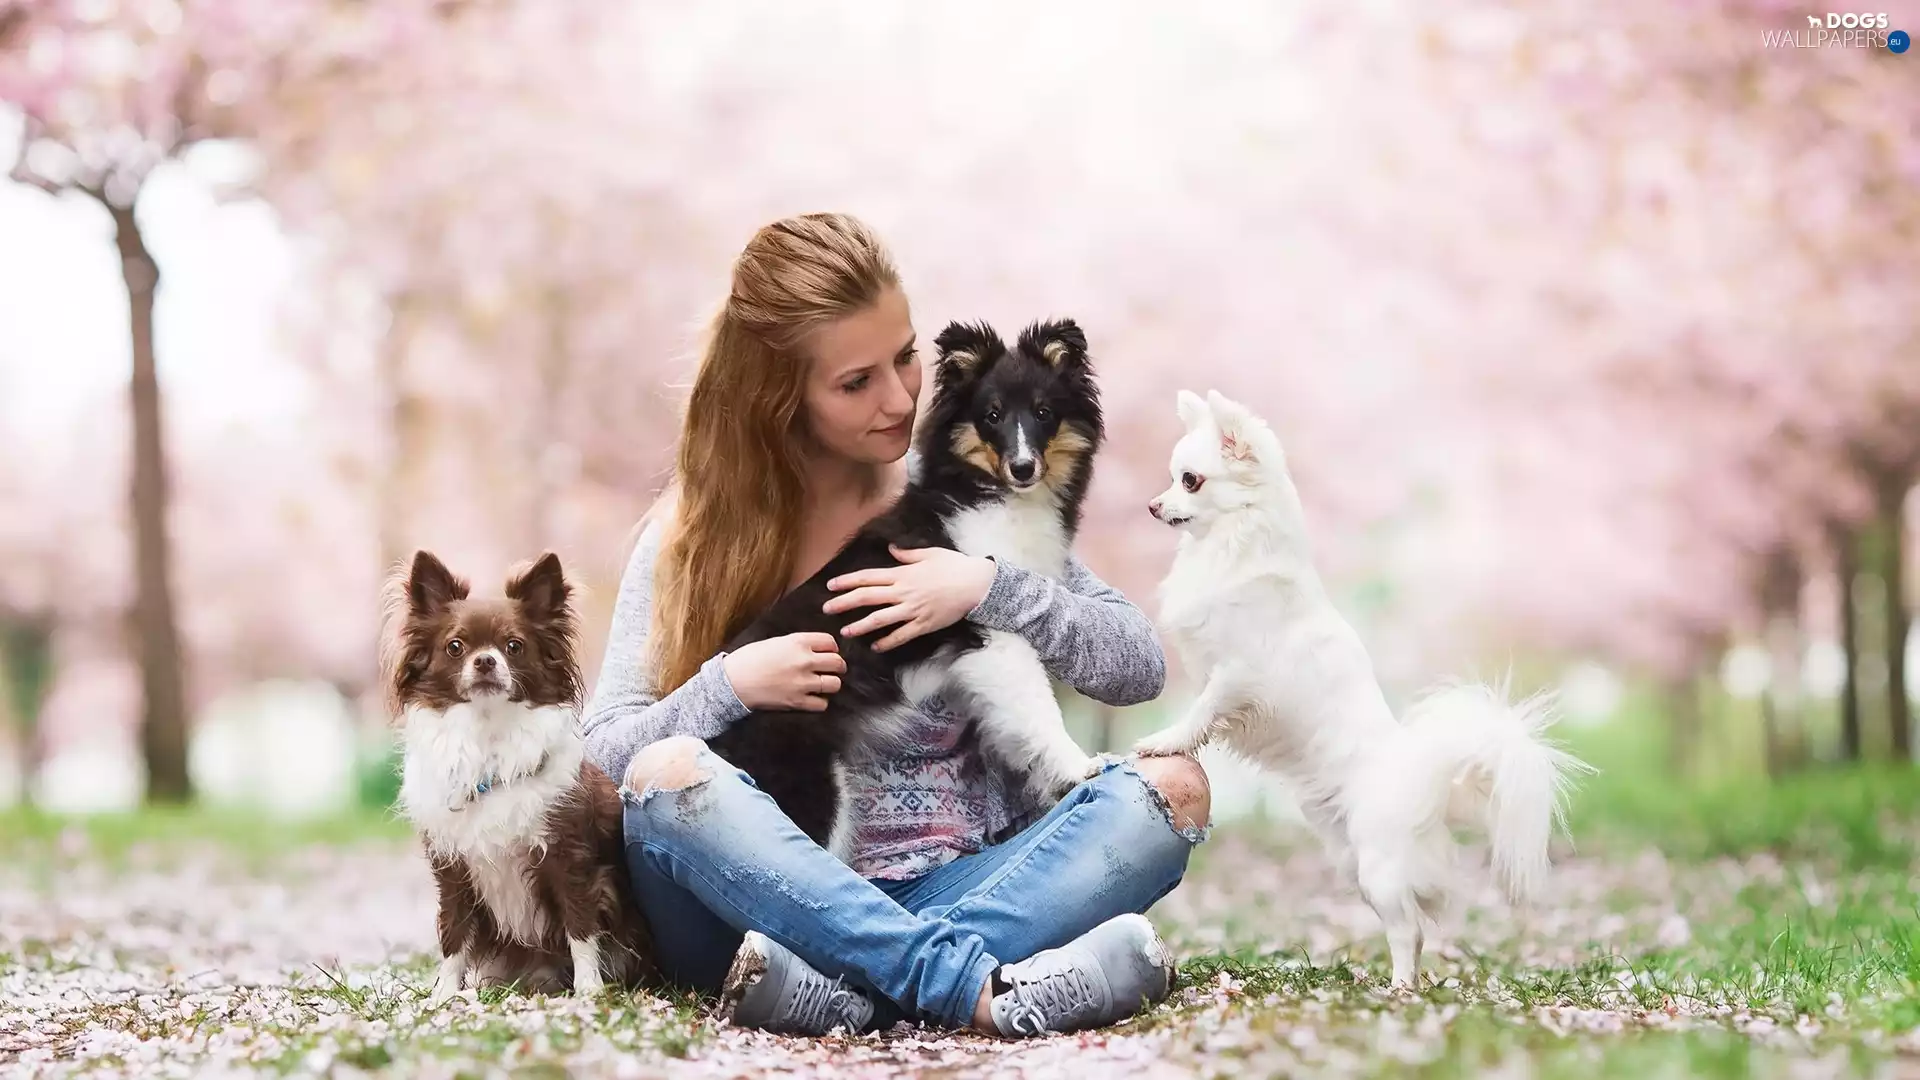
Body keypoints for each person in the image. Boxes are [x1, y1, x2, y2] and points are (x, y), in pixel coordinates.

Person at [581, 212, 1211, 1038]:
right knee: (667, 774)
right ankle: (976, 989)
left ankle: (846, 997)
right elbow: (600, 756)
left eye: (905, 357)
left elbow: (1136, 667)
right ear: (781, 398)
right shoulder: (687, 538)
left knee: (1173, 791)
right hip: (752, 908)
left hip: (959, 883)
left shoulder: (960, 493)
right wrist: (728, 686)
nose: (901, 398)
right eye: (855, 383)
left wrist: (987, 587)